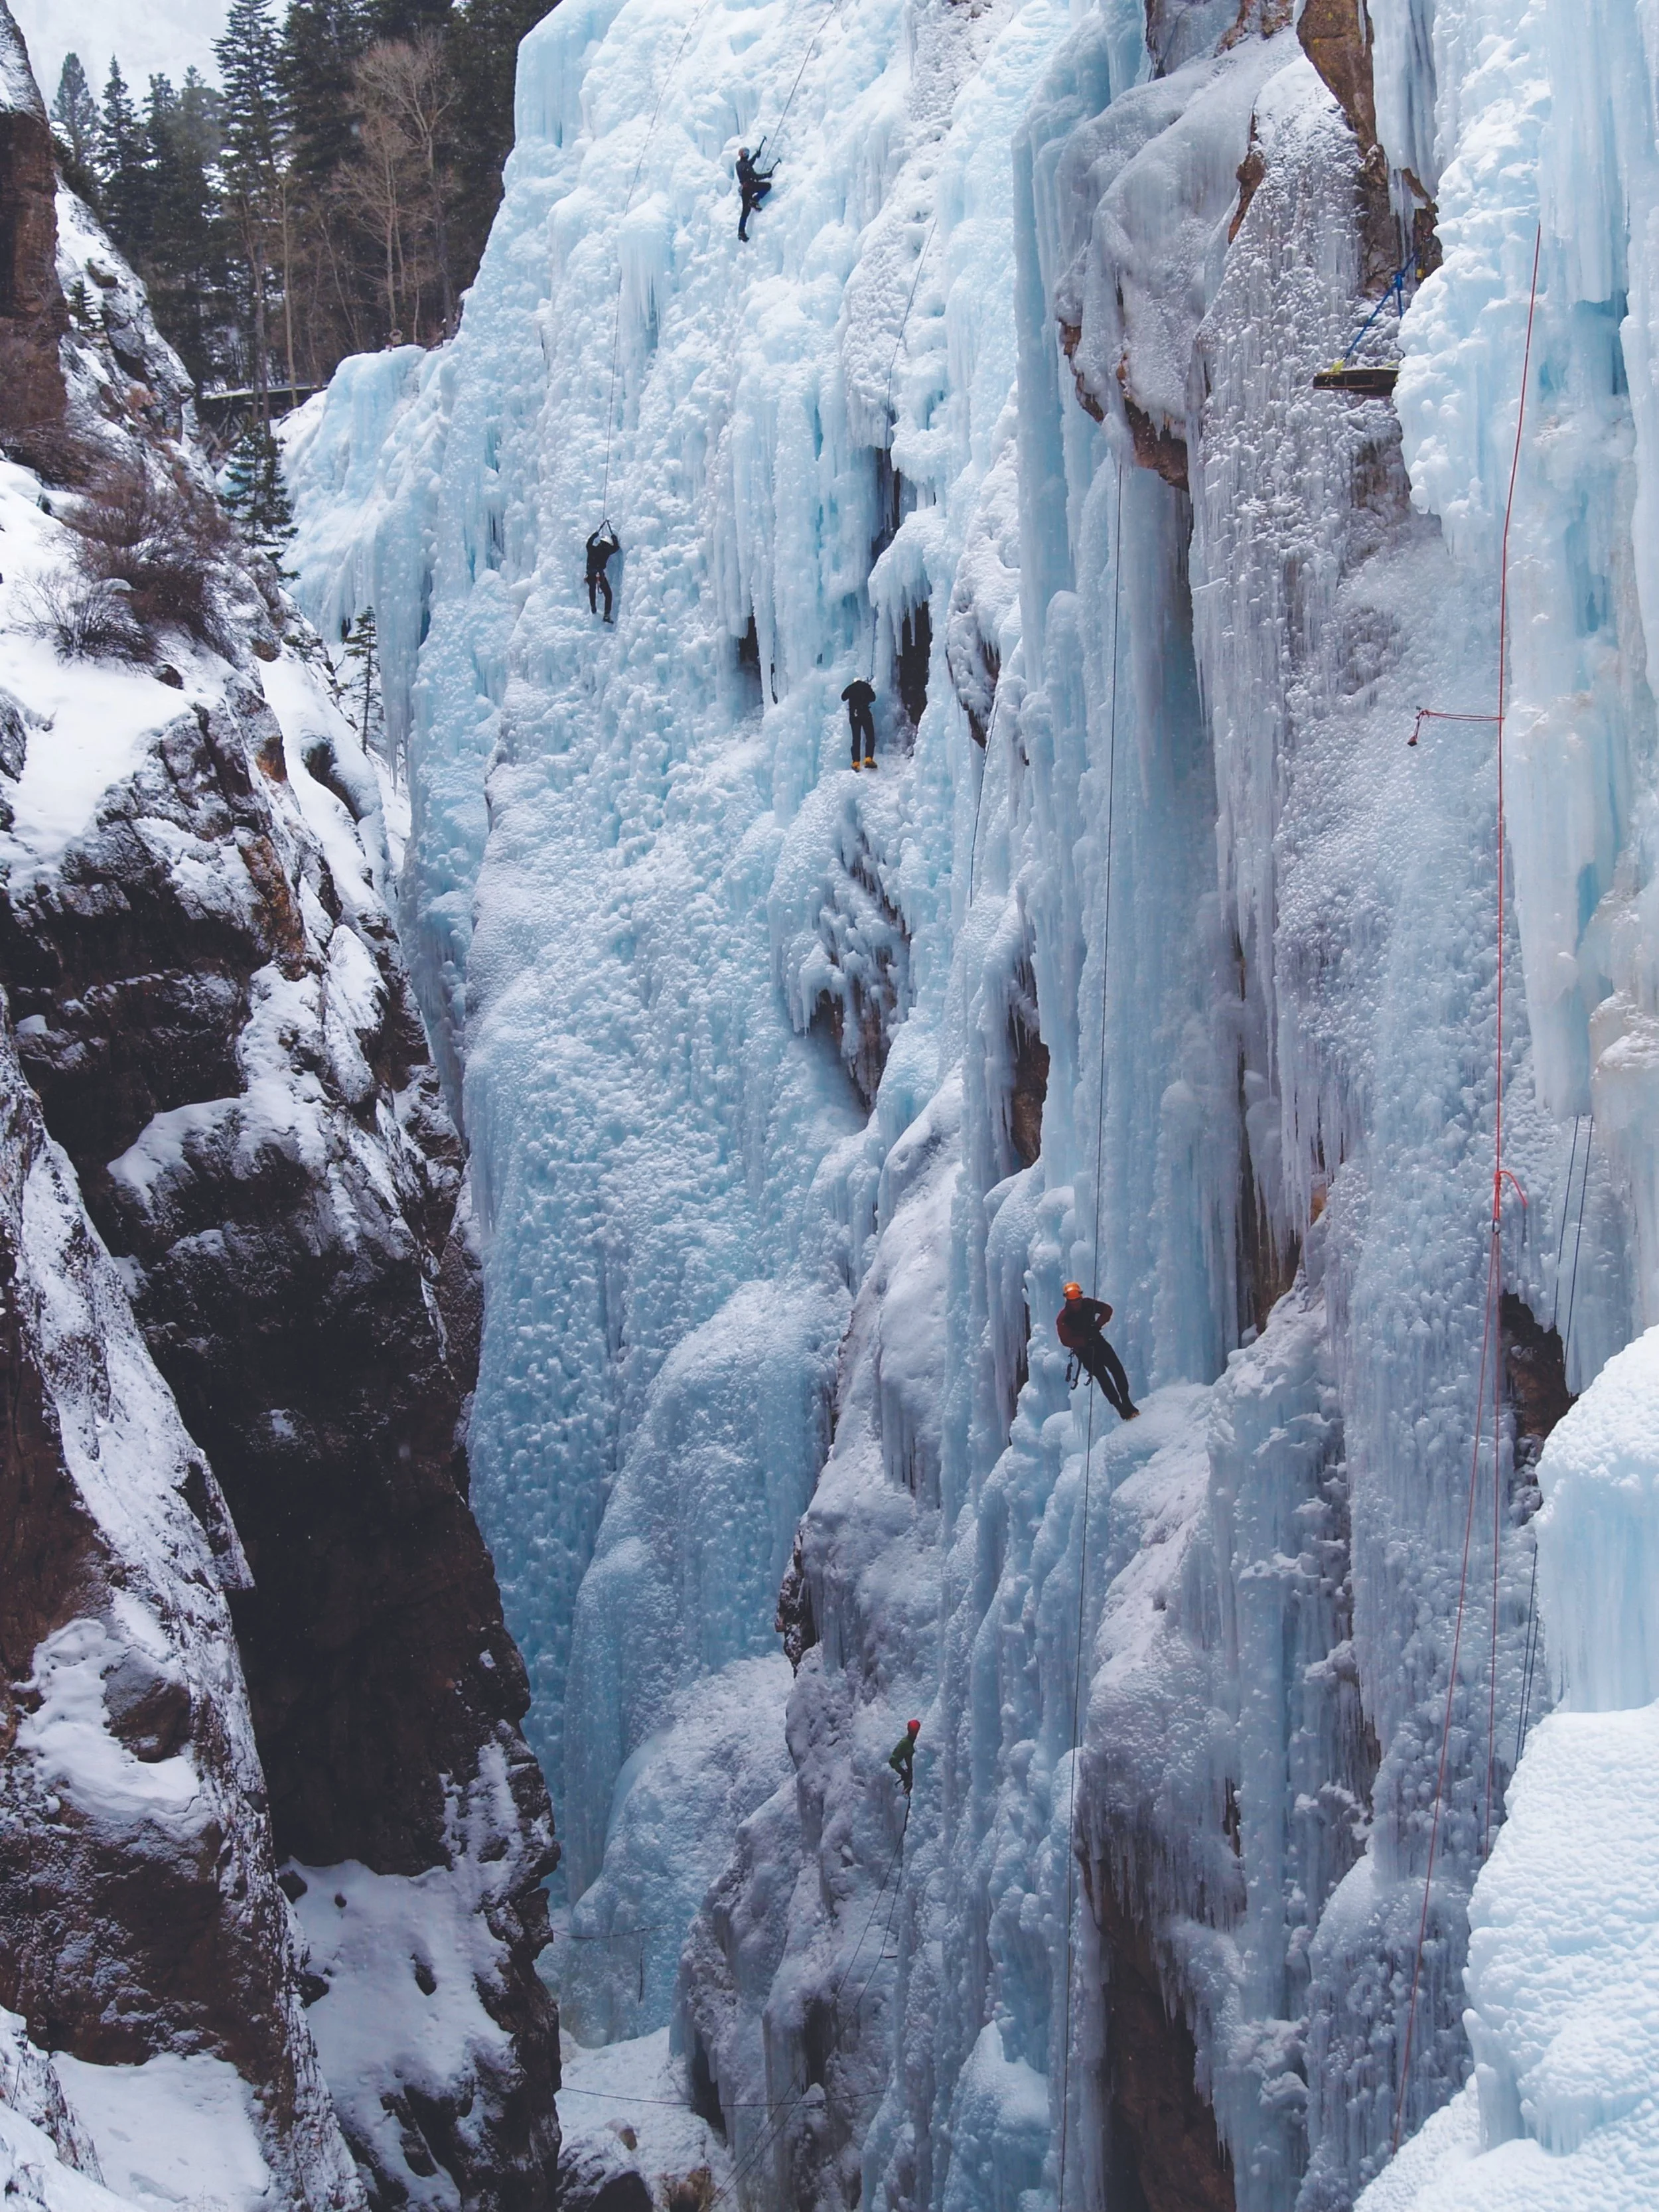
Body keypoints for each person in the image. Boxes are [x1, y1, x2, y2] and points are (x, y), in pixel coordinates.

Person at [1055, 1282, 1138, 1420]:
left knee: (1117, 1369)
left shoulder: (1088, 1304)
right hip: (1085, 1352)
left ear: (1081, 1297)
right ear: (1067, 1300)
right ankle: (1120, 1407)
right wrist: (1084, 1340)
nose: (1075, 1303)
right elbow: (1066, 1340)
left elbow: (1107, 1310)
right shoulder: (1064, 1318)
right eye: (1072, 1300)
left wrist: (1098, 1325)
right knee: (1103, 1377)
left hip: (1098, 1343)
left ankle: (1126, 1401)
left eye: (1077, 1299)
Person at [735, 147, 775, 242]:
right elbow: (755, 176)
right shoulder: (746, 166)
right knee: (767, 186)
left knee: (745, 212)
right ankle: (755, 200)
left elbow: (747, 165)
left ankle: (741, 232)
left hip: (744, 190)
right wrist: (767, 175)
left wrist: (755, 157)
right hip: (751, 187)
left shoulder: (738, 164)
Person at [585, 524, 620, 622]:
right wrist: (614, 538)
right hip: (599, 574)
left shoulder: (592, 549)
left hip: (590, 573)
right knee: (608, 594)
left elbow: (588, 544)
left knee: (592, 588)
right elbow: (616, 548)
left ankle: (593, 607)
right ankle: (607, 614)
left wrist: (595, 535)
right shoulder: (607, 551)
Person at [842, 677, 877, 770]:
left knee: (856, 738)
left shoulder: (850, 687)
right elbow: (873, 698)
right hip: (864, 713)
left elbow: (843, 697)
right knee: (870, 736)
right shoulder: (866, 686)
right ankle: (868, 758)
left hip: (854, 715)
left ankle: (856, 762)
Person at [889, 1719, 920, 1796]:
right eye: (913, 1732)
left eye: (916, 1731)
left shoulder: (920, 1740)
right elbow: (893, 1761)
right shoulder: (905, 1744)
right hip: (911, 1780)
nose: (915, 1734)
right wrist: (903, 1773)